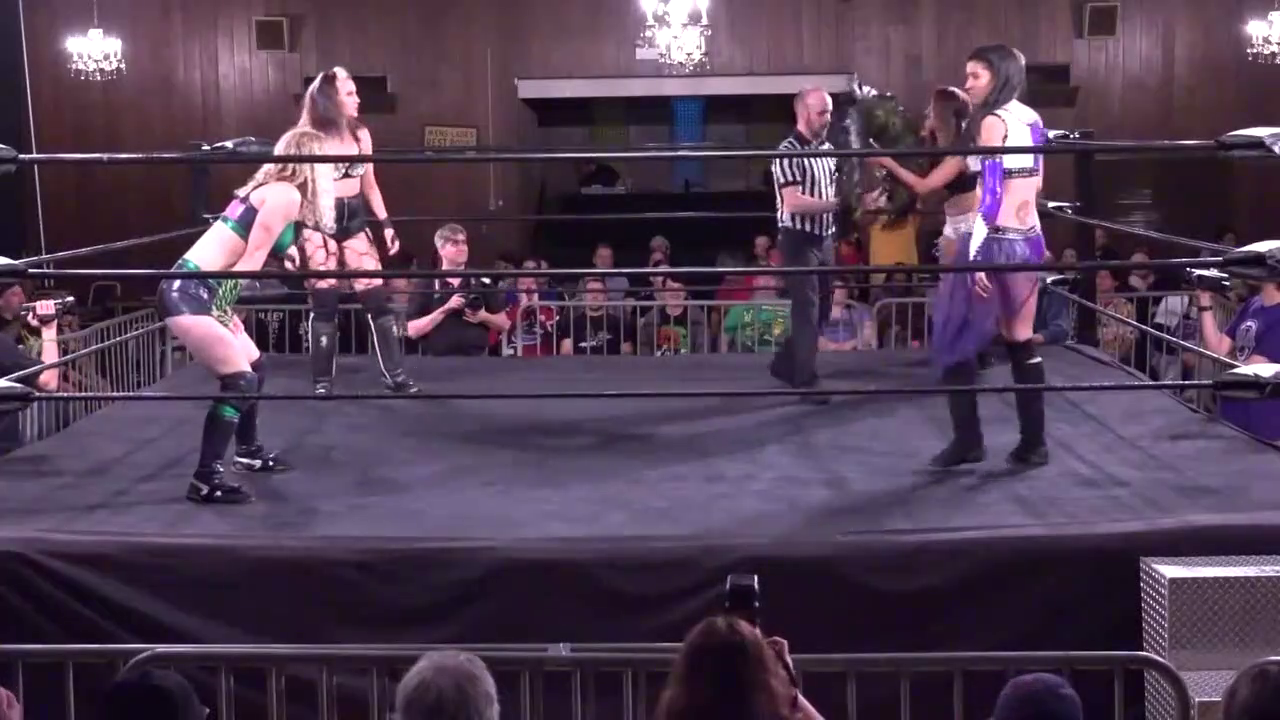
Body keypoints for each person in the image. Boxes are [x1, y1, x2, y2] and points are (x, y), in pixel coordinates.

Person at [156, 128, 332, 504]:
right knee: (240, 380)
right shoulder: (286, 195)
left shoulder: (277, 191)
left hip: (203, 289)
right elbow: (250, 258)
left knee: (255, 365)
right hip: (190, 291)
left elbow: (249, 247)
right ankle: (205, 479)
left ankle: (248, 452)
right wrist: (225, 309)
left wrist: (285, 254)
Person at [930, 44, 1049, 469]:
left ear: (997, 76)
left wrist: (977, 252)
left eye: (975, 76)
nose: (967, 84)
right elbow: (1036, 185)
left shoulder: (993, 121)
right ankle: (1033, 444)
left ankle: (968, 441)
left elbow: (993, 193)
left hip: (994, 238)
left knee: (953, 333)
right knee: (1020, 339)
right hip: (1028, 238)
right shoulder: (1032, 119)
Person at [296, 67, 418, 396]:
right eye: (349, 94)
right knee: (325, 304)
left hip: (354, 220)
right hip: (318, 222)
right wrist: (289, 242)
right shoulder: (308, 139)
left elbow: (370, 185)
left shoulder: (361, 135)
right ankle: (322, 381)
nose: (357, 99)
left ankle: (395, 375)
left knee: (377, 299)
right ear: (331, 99)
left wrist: (386, 224)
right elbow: (293, 190)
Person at [769, 87, 841, 402]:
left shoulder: (828, 149)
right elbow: (793, 202)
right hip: (798, 239)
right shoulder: (787, 151)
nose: (828, 118)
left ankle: (786, 363)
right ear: (803, 113)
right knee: (806, 309)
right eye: (821, 112)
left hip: (825, 237)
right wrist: (835, 205)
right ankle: (806, 380)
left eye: (830, 111)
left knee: (823, 309)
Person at [868, 87, 978, 263]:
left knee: (957, 274)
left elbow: (923, 187)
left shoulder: (960, 155)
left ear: (942, 114)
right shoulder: (942, 147)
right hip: (952, 221)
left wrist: (887, 161)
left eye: (932, 109)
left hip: (967, 225)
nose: (928, 113)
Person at [1197, 270, 1280, 442]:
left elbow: (1254, 367)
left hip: (1264, 416)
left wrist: (1230, 363)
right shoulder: (1253, 303)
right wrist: (1204, 301)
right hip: (1234, 406)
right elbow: (1218, 348)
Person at [403, 224, 510, 356]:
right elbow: (411, 331)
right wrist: (445, 310)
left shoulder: (482, 282)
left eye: (464, 243)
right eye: (455, 243)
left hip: (477, 361)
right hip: (436, 361)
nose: (462, 247)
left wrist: (483, 317)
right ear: (441, 250)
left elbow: (504, 324)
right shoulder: (426, 284)